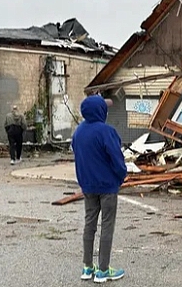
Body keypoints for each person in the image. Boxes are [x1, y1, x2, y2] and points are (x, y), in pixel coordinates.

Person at [71, 95, 127, 283]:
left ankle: (87, 267)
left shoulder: (78, 132)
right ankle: (103, 270)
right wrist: (120, 177)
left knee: (90, 225)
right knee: (107, 226)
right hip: (107, 187)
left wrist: (83, 181)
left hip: (88, 186)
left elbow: (78, 159)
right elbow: (117, 159)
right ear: (100, 111)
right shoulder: (106, 131)